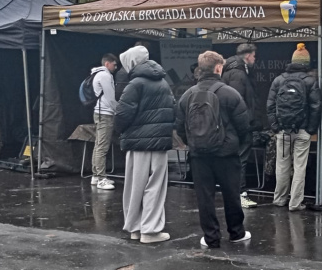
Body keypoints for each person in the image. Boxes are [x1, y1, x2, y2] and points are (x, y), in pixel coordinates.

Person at [176, 50, 252, 248]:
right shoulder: (230, 93)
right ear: (218, 68)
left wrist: (193, 142)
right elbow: (244, 126)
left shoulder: (187, 95)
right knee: (231, 194)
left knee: (204, 197)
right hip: (226, 155)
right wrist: (235, 143)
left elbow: (179, 126)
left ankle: (211, 237)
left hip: (199, 155)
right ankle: (236, 233)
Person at [115, 46, 176, 244]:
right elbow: (172, 109)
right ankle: (150, 230)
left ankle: (135, 227)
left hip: (136, 143)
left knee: (134, 186)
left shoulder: (135, 84)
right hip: (158, 143)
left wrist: (122, 131)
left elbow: (122, 114)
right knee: (155, 186)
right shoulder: (163, 83)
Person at [267, 43, 321, 211]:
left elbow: (269, 106)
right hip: (302, 130)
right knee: (299, 167)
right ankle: (295, 203)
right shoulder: (310, 81)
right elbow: (316, 107)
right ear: (307, 63)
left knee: (282, 165)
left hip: (283, 130)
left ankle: (279, 199)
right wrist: (310, 129)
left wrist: (276, 127)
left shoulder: (278, 80)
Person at [222, 42, 260, 209]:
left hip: (233, 126)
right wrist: (244, 124)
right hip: (240, 127)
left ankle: (236, 193)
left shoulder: (232, 71)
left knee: (236, 161)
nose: (254, 59)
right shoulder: (238, 74)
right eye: (253, 56)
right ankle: (240, 194)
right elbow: (237, 102)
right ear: (247, 56)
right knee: (240, 160)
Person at [89, 53, 119, 191]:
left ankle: (96, 175)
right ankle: (101, 178)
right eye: (114, 64)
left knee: (98, 145)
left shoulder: (97, 74)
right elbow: (111, 98)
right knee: (102, 146)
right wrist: (118, 110)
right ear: (107, 63)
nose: (116, 67)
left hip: (99, 112)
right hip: (106, 113)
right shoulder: (105, 76)